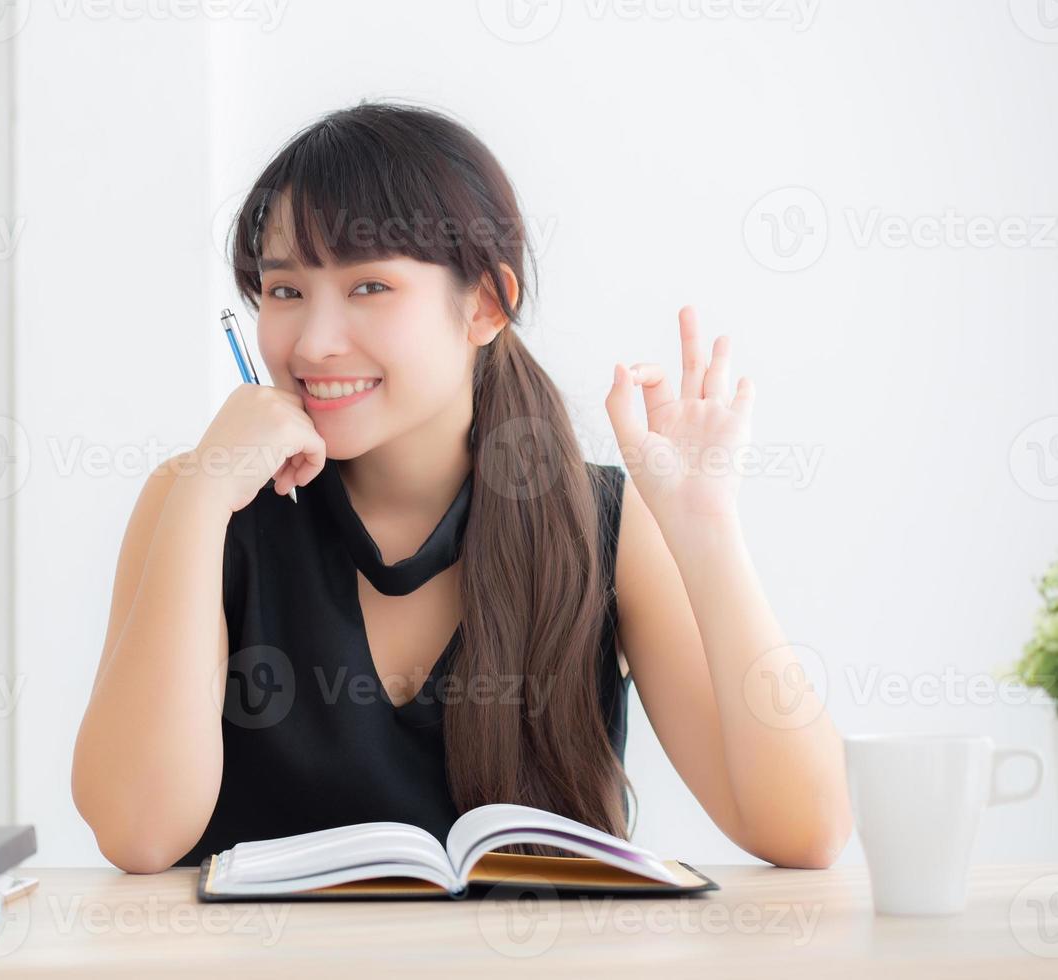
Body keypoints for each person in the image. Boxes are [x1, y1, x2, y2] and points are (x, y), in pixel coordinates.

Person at [71, 100, 851, 874]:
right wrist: (203, 499)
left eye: (369, 287)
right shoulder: (201, 502)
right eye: (284, 292)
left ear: (483, 303)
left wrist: (706, 529)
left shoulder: (603, 522)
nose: (312, 342)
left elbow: (805, 831)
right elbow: (140, 833)